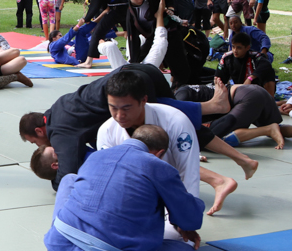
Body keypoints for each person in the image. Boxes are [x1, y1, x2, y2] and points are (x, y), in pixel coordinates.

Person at [40, 125, 204, 251]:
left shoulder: (96, 156)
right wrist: (183, 217)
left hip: (56, 250)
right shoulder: (159, 167)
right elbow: (191, 219)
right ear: (160, 153)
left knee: (70, 179)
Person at [96, 70, 238, 216]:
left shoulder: (176, 122)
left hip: (169, 197)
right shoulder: (106, 130)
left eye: (126, 108)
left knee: (176, 235)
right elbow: (107, 179)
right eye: (113, 108)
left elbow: (188, 174)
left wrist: (186, 218)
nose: (119, 116)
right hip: (126, 201)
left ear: (144, 100)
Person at [175, 83, 292, 149]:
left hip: (244, 98)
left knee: (214, 139)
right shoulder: (185, 91)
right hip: (254, 91)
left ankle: (267, 130)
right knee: (278, 128)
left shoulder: (179, 99)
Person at [77, 0, 127, 68]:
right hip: (127, 6)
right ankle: (134, 57)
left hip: (117, 9)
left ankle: (88, 62)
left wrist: (86, 18)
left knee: (97, 33)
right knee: (129, 33)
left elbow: (95, 3)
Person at [215, 32, 277, 97]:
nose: (235, 50)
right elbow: (218, 76)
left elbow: (266, 65)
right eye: (233, 47)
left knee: (268, 72)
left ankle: (270, 99)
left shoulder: (255, 56)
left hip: (258, 89)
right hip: (240, 89)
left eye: (239, 48)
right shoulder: (227, 58)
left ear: (247, 48)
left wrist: (250, 78)